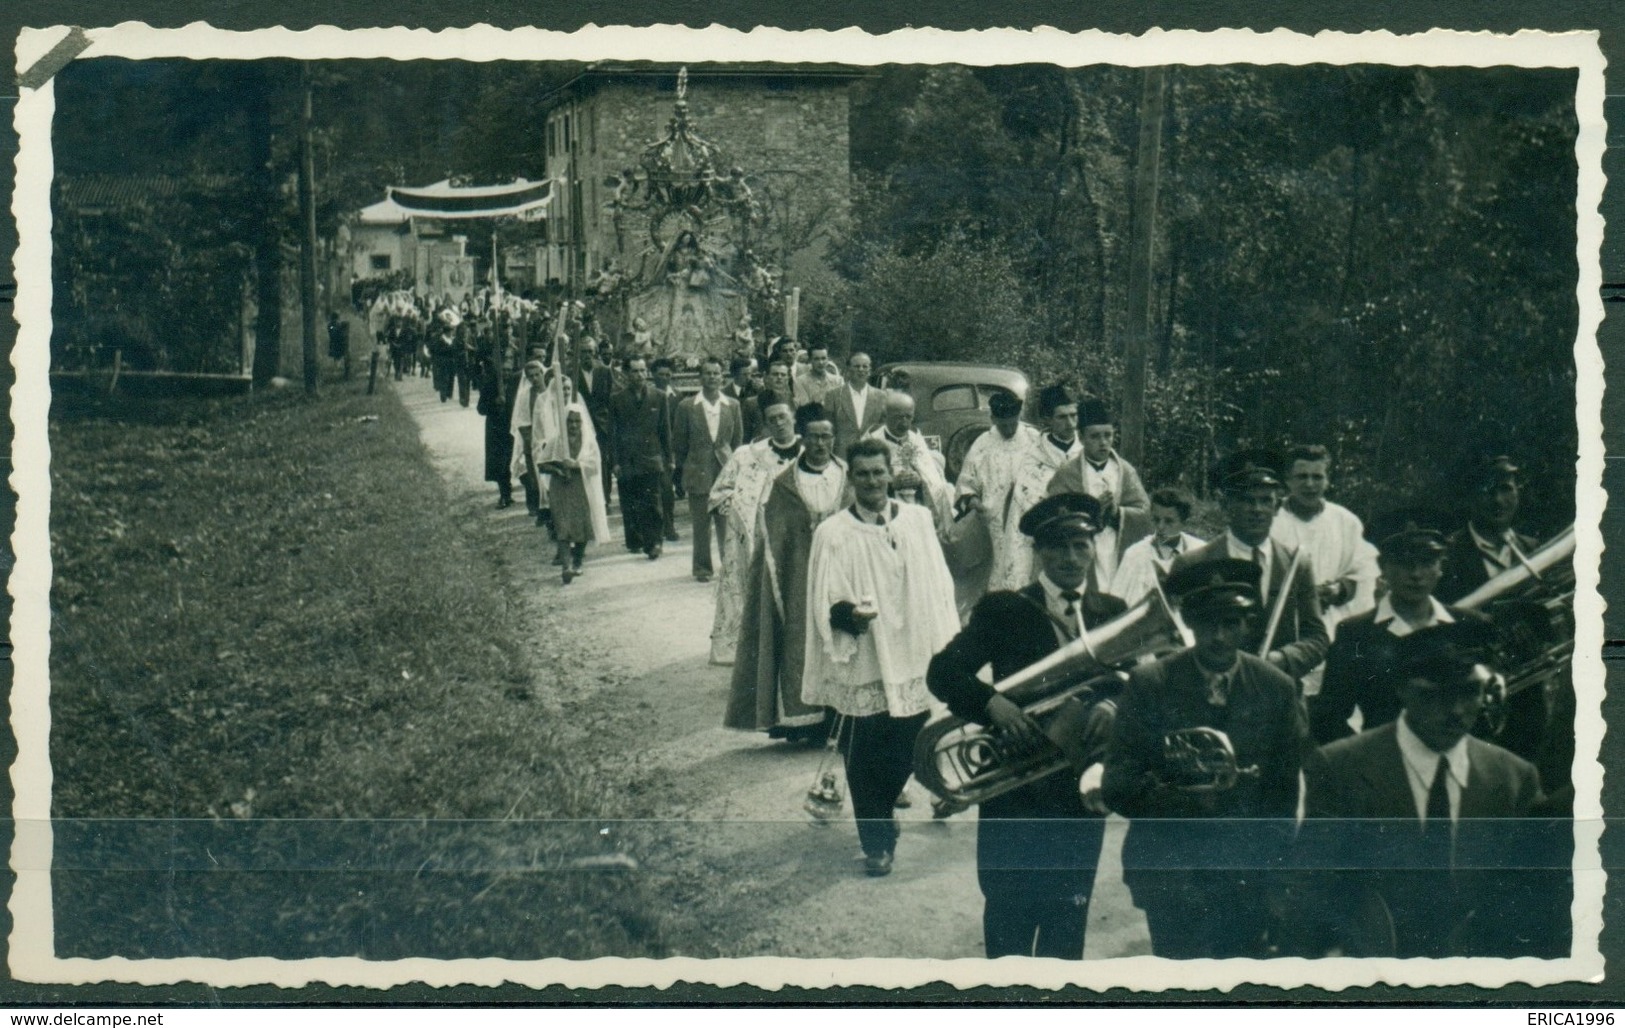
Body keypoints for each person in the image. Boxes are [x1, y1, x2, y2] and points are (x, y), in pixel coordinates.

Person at [926, 492, 1127, 958]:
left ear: (1095, 547)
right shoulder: (1005, 609)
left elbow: (1141, 684)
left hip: (1081, 794)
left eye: (1081, 545)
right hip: (1016, 793)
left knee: (1067, 927)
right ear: (1039, 551)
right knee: (1009, 922)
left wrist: (1114, 705)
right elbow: (943, 672)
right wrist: (991, 703)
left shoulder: (1112, 613)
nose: (1071, 558)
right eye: (1058, 546)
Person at [1299, 620, 1551, 958]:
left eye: (1469, 692)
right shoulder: (1340, 767)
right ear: (1402, 691)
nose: (1457, 712)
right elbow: (1310, 886)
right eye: (1436, 696)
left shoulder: (1514, 778)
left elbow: (1530, 899)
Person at [1102, 558, 1308, 958]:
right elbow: (1118, 784)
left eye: (1231, 623)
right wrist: (1192, 798)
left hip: (1246, 872)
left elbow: (1284, 794)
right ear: (1189, 623)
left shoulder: (1277, 687)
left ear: (1247, 624)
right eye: (1207, 623)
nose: (1218, 636)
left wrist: (1278, 876)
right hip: (1171, 869)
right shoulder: (1151, 684)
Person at [802, 438, 961, 877]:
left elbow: (938, 584)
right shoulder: (833, 533)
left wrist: (947, 644)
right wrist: (848, 615)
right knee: (864, 745)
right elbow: (822, 599)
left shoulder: (918, 521)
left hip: (913, 649)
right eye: (862, 474)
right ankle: (876, 841)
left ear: (891, 473)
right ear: (850, 479)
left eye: (878, 472)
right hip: (867, 654)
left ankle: (885, 807)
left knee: (910, 738)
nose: (871, 481)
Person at [1309, 509, 1491, 745]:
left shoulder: (1470, 625)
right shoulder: (1355, 633)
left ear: (1440, 567)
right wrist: (1367, 760)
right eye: (1404, 563)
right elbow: (1329, 719)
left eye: (1426, 562)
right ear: (1383, 567)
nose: (1416, 574)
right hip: (1387, 769)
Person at [727, 403, 850, 741]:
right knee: (802, 643)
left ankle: (845, 718)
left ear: (834, 438)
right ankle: (807, 721)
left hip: (845, 579)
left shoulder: (849, 478)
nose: (820, 444)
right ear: (803, 438)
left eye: (826, 437)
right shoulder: (784, 484)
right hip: (800, 580)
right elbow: (775, 536)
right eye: (813, 437)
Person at [1167, 449, 1329, 685]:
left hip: (1277, 694)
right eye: (1246, 500)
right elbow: (1174, 638)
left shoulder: (1296, 563)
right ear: (1226, 505)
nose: (1257, 509)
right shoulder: (1192, 563)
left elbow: (1317, 637)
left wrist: (1282, 659)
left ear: (1276, 507)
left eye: (1265, 500)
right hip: (1210, 695)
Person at [1270, 444, 1380, 695]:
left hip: (1334, 623)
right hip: (1286, 628)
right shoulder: (1272, 520)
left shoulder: (1345, 521)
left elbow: (1363, 572)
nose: (1310, 484)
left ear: (1328, 479)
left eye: (1317, 476)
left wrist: (1339, 589)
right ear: (1287, 481)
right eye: (1301, 477)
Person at [707, 399, 803, 665]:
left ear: (793, 417)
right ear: (765, 424)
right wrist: (739, 509)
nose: (779, 423)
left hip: (799, 536)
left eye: (783, 416)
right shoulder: (746, 455)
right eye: (772, 419)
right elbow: (718, 494)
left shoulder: (811, 451)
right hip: (759, 536)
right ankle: (759, 649)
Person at [1045, 397, 1151, 591]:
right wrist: (1090, 511)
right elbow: (1054, 511)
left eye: (1108, 435)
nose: (1103, 443)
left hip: (1118, 546)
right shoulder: (1068, 473)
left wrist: (1117, 512)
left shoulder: (1124, 471)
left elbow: (1144, 511)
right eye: (1095, 437)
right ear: (1082, 438)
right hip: (1081, 547)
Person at [953, 390, 1042, 594]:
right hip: (993, 523)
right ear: (993, 419)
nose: (1009, 429)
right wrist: (975, 503)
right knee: (997, 575)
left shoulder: (1034, 439)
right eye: (1003, 424)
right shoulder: (982, 443)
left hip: (1028, 520)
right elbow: (966, 484)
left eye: (1013, 422)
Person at [673, 358, 743, 582]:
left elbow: (737, 439)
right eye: (707, 373)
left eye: (716, 373)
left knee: (726, 523)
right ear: (699, 378)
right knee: (701, 524)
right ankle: (702, 568)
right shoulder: (687, 406)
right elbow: (680, 443)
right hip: (698, 469)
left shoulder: (732, 405)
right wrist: (684, 471)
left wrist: (731, 463)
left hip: (724, 469)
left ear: (723, 377)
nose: (712, 377)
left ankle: (729, 567)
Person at [536, 380, 612, 583]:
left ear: (583, 423)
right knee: (563, 526)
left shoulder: (590, 442)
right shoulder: (556, 440)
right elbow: (542, 464)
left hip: (583, 487)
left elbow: (595, 466)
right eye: (569, 421)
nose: (573, 425)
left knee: (582, 526)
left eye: (577, 422)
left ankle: (577, 560)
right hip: (561, 487)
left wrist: (576, 465)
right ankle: (566, 565)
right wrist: (559, 468)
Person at [1438, 454, 1540, 604]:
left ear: (1517, 493)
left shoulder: (1532, 548)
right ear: (1470, 498)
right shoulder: (1447, 555)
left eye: (1506, 489)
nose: (1498, 500)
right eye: (1487, 491)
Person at [608, 357, 673, 560]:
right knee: (630, 501)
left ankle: (654, 542)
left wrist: (669, 458)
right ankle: (634, 539)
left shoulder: (659, 397)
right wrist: (615, 462)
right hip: (628, 459)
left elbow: (665, 430)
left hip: (651, 457)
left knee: (653, 501)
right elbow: (613, 433)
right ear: (627, 374)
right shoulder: (617, 399)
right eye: (635, 371)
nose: (639, 375)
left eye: (642, 370)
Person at [864, 391, 953, 529]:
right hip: (885, 509)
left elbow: (932, 476)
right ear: (885, 416)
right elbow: (862, 481)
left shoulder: (916, 438)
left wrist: (920, 479)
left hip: (918, 506)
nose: (904, 422)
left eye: (908, 417)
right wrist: (891, 483)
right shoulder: (872, 441)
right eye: (898, 417)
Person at [1109, 486, 1205, 605]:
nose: (1160, 527)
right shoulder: (1135, 554)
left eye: (1168, 521)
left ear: (1184, 523)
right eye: (1156, 519)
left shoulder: (1200, 551)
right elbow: (1114, 603)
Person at [577, 338, 619, 504]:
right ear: (578, 354)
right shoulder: (571, 371)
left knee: (602, 461)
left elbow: (610, 398)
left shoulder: (603, 371)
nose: (587, 355)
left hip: (601, 424)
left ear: (595, 353)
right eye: (583, 352)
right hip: (579, 423)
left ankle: (604, 498)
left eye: (590, 351)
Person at [828, 352, 884, 458]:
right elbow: (828, 429)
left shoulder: (881, 396)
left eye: (865, 366)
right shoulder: (833, 395)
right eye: (857, 366)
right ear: (849, 369)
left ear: (870, 371)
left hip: (871, 455)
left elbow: (883, 428)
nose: (861, 370)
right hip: (842, 456)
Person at [650, 357, 682, 544]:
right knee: (656, 490)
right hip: (654, 448)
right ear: (653, 375)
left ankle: (669, 525)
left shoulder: (677, 396)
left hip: (671, 449)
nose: (664, 378)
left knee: (667, 490)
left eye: (668, 374)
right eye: (660, 374)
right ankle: (658, 527)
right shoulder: (649, 395)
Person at [742, 361, 794, 442]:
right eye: (775, 374)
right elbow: (745, 434)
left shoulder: (794, 401)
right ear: (766, 377)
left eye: (783, 375)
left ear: (788, 378)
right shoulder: (751, 403)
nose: (779, 377)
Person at [793, 343, 840, 407]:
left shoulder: (838, 380)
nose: (821, 362)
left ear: (828, 359)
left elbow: (840, 405)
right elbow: (805, 406)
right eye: (816, 359)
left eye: (823, 358)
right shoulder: (800, 381)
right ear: (810, 360)